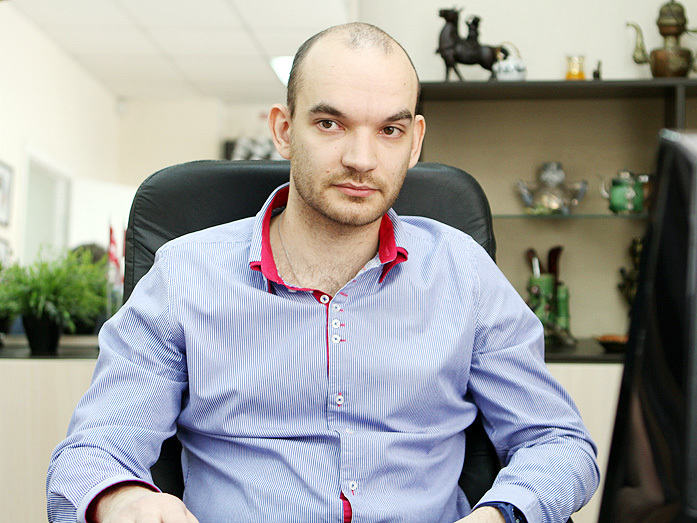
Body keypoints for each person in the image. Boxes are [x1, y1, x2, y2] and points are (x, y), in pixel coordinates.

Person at [47, 23, 599, 523]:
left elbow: (559, 442)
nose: (361, 158)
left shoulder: (463, 272)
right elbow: (92, 453)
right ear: (284, 130)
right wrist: (123, 500)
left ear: (415, 142)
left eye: (390, 130)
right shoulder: (184, 275)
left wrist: (502, 516)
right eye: (330, 123)